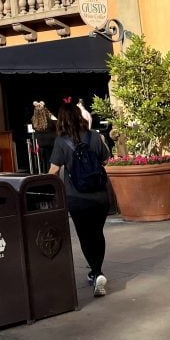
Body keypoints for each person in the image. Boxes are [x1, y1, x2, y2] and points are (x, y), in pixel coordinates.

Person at [49, 100, 111, 298]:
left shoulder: (61, 141)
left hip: (77, 197)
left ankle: (96, 272)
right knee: (97, 233)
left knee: (85, 236)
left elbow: (54, 170)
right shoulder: (94, 136)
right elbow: (105, 158)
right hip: (100, 196)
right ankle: (97, 270)